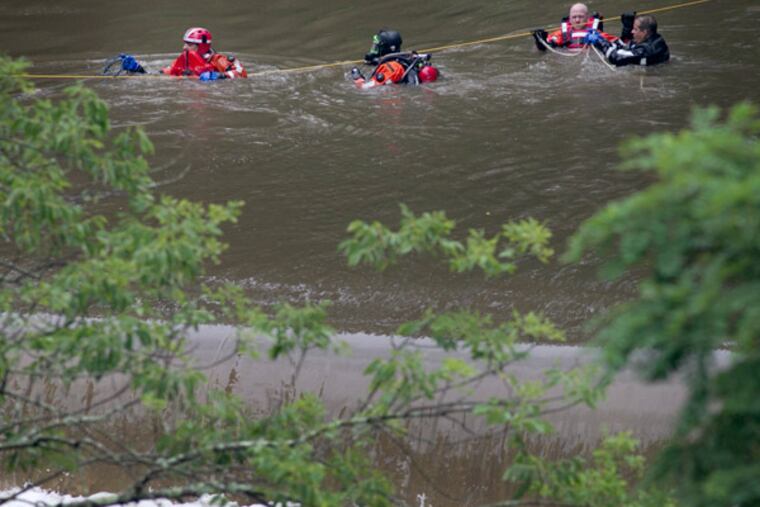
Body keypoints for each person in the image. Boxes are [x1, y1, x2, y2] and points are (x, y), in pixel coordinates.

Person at [350, 29, 439, 89]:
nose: (374, 50)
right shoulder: (404, 59)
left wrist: (356, 76)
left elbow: (366, 88)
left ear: (386, 48)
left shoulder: (391, 67)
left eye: (377, 47)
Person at [161, 27, 247, 79]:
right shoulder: (185, 59)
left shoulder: (217, 60)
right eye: (185, 43)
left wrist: (220, 76)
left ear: (201, 46)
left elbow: (240, 74)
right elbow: (170, 70)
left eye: (189, 44)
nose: (184, 47)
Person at [588, 14, 670, 66]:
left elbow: (616, 58)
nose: (632, 31)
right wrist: (626, 31)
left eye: (635, 29)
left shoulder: (646, 50)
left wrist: (599, 42)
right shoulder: (653, 37)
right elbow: (625, 48)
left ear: (645, 32)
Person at [532, 3, 616, 51]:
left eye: (580, 17)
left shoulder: (595, 33)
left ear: (587, 18)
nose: (577, 20)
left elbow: (618, 43)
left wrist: (626, 32)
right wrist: (540, 41)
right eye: (574, 17)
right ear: (569, 18)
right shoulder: (562, 33)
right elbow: (539, 49)